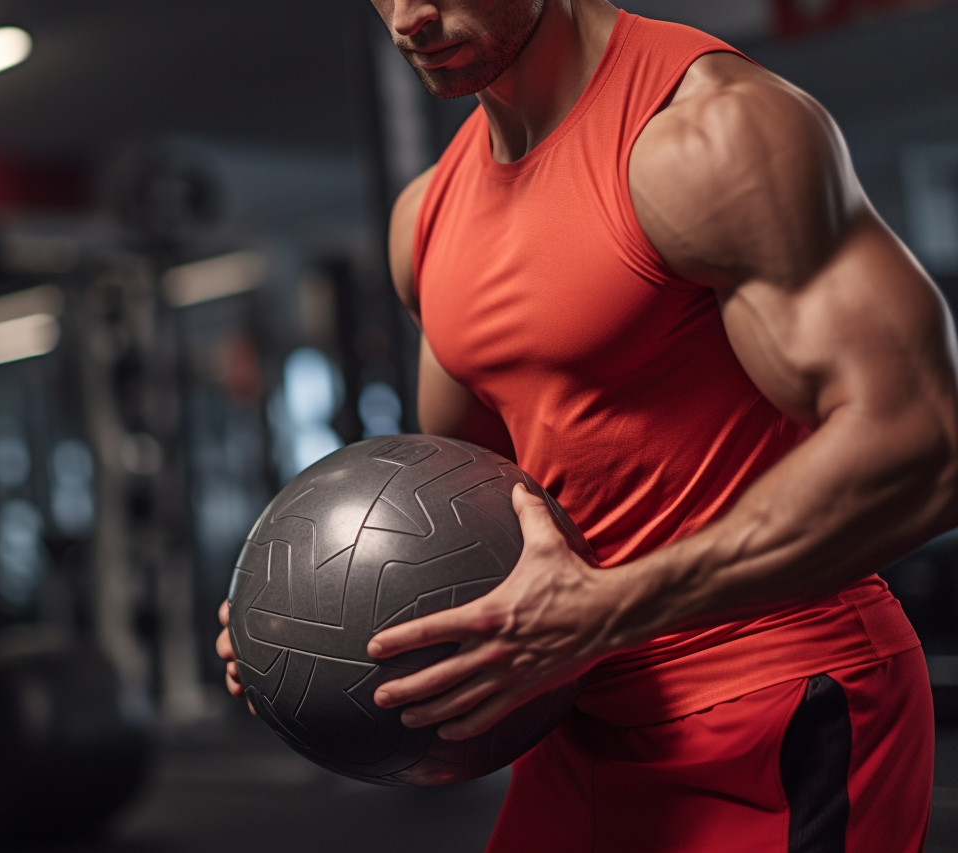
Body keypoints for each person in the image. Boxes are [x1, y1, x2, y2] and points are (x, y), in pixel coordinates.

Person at [219, 0, 958, 849]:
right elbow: (462, 513)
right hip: (579, 720)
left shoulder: (713, 132)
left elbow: (926, 443)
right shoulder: (425, 220)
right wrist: (305, 627)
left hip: (776, 695)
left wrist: (609, 609)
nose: (408, 15)